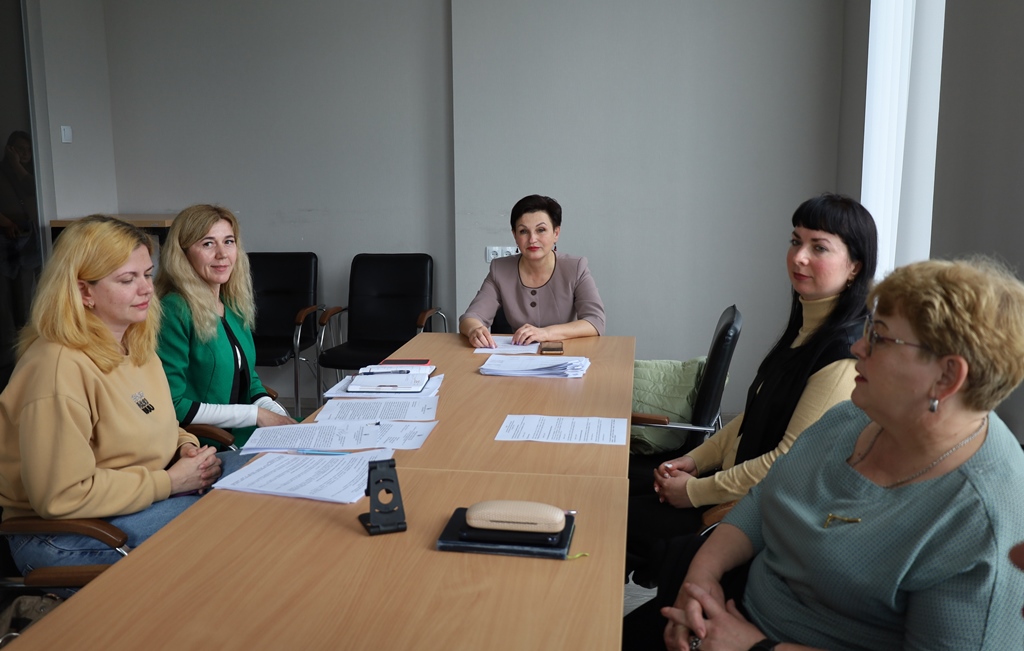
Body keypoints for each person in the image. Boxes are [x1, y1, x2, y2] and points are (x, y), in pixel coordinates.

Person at [648, 258, 1024, 651]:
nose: (858, 346)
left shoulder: (982, 521)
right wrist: (701, 578)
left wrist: (754, 647)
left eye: (879, 337)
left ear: (947, 377)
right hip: (725, 609)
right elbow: (764, 500)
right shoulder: (851, 417)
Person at [626, 194, 877, 587]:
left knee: (608, 517)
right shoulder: (807, 328)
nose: (799, 257)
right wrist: (695, 459)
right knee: (610, 489)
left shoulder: (842, 357)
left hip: (744, 514)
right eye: (795, 241)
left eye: (819, 247)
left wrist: (695, 492)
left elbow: (786, 463)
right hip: (729, 485)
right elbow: (756, 412)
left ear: (855, 266)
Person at [0, 216, 243, 574]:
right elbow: (62, 496)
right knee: (227, 530)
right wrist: (170, 482)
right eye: (128, 280)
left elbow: (157, 420)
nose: (146, 289)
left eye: (147, 275)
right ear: (84, 292)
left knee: (259, 474)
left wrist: (185, 447)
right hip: (67, 533)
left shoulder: (135, 342)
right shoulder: (57, 367)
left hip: (139, 499)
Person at [156, 204, 294, 447]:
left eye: (228, 242)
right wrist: (256, 415)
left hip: (240, 430)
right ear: (183, 253)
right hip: (204, 443)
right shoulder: (174, 309)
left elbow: (249, 379)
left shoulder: (232, 306)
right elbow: (173, 405)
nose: (222, 254)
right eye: (208, 244)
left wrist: (277, 414)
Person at [459, 194, 605, 346]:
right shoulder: (500, 269)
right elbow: (471, 317)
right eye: (523, 231)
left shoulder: (576, 267)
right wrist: (474, 330)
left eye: (541, 230)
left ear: (556, 233)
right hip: (517, 354)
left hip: (565, 353)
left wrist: (546, 333)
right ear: (515, 235)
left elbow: (595, 321)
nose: (532, 239)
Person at [0, 131, 42, 390]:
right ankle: (8, 366)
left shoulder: (32, 174)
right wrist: (5, 222)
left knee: (26, 299)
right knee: (6, 304)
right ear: (10, 149)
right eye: (20, 149)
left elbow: (34, 191)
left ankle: (28, 358)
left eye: (28, 150)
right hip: (4, 242)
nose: (25, 154)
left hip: (28, 241)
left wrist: (18, 166)